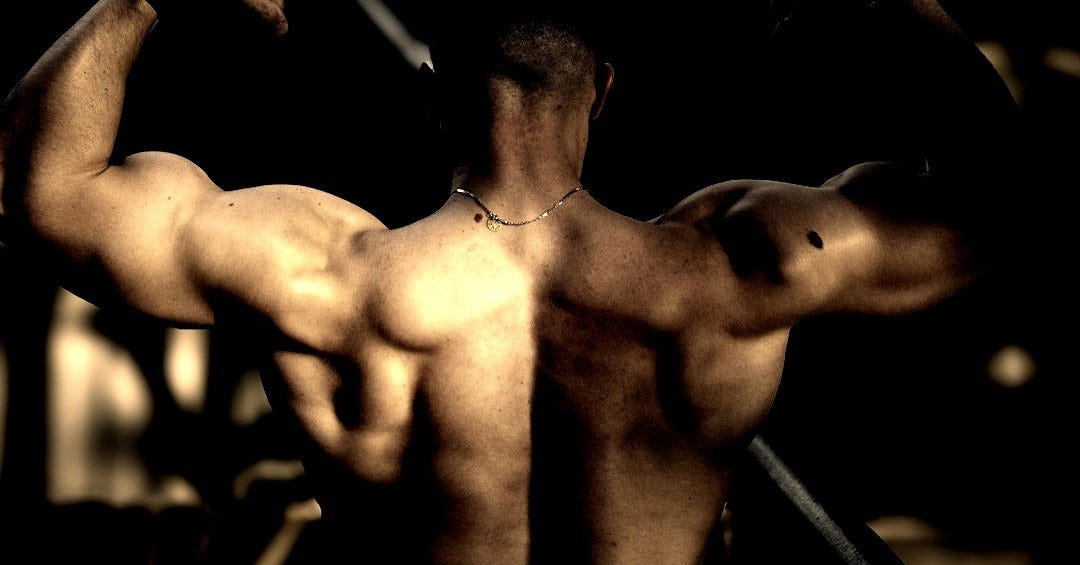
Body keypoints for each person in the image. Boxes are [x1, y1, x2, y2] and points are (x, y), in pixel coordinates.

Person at [0, 0, 1024, 563]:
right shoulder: (730, 267)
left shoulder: (327, 277)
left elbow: (44, 191)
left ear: (433, 96)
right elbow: (1005, 198)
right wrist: (900, 8)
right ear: (606, 92)